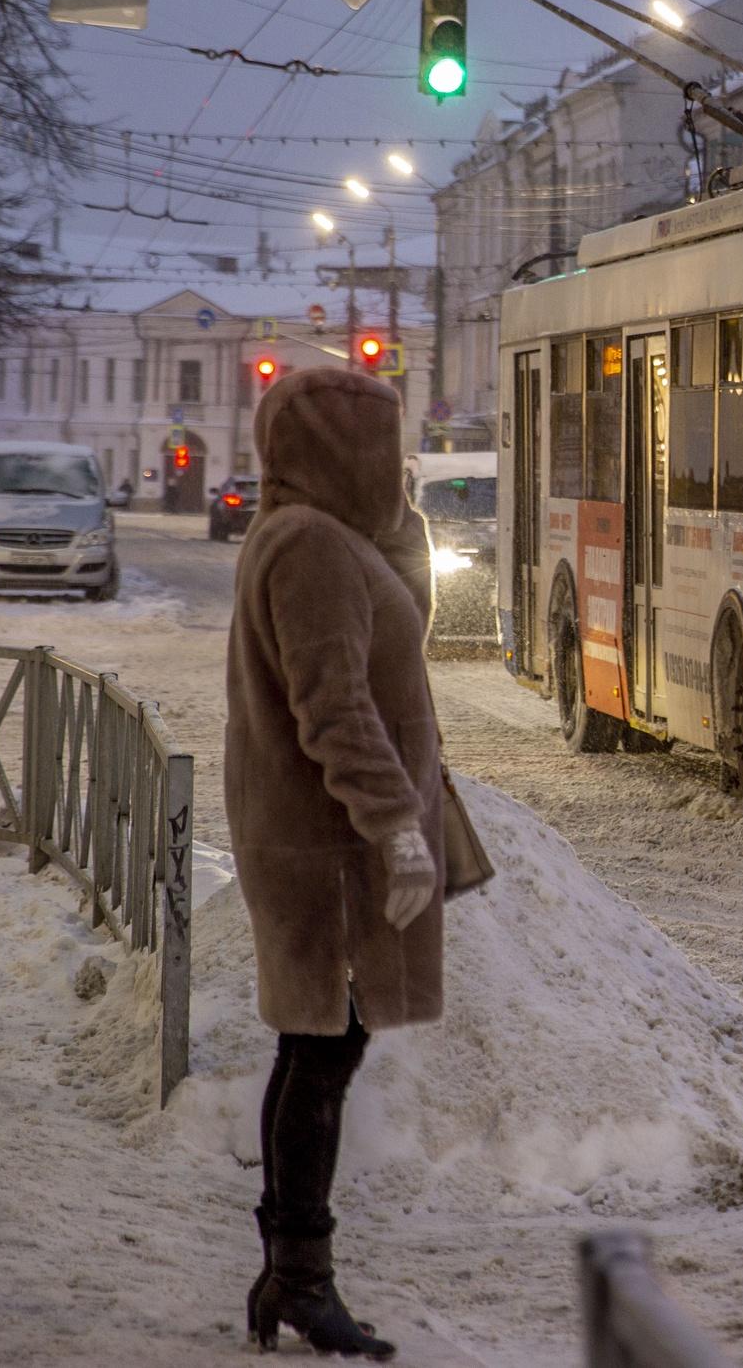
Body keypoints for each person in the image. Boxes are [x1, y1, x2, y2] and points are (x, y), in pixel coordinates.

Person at [224, 366, 446, 1360]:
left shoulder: (315, 535)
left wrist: (399, 542)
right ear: (341, 453)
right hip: (332, 849)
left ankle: (289, 1274)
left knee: (318, 1049)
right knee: (321, 1049)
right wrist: (394, 827)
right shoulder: (309, 547)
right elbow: (336, 710)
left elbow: (381, 648)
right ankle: (300, 1278)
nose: (393, 469)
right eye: (381, 450)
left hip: (322, 841)